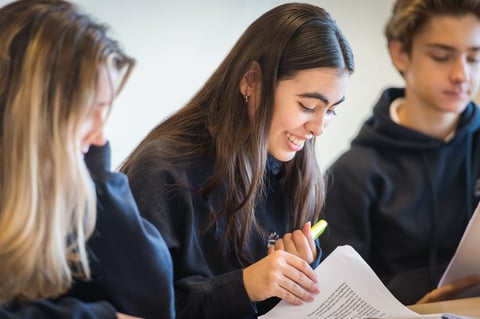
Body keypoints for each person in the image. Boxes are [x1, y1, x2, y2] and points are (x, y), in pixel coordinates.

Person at [120, 3, 354, 319]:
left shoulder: (294, 172)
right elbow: (139, 308)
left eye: (331, 111)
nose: (318, 128)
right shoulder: (165, 168)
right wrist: (245, 286)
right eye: (308, 106)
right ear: (251, 82)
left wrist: (299, 272)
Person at [0, 1, 175, 318]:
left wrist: (98, 172)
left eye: (104, 110)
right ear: (32, 114)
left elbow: (154, 302)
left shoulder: (59, 181)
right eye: (87, 110)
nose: (100, 137)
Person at [321, 0, 480, 306]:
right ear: (400, 54)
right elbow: (337, 297)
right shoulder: (353, 174)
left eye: (474, 58)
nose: (461, 74)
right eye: (441, 56)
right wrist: (411, 304)